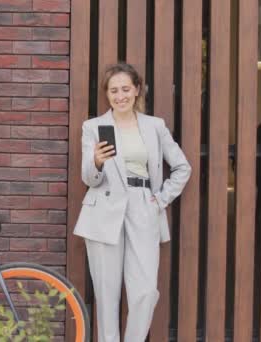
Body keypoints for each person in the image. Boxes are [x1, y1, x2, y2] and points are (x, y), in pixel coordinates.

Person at [73, 63, 191, 342]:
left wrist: (160, 199)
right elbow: (89, 178)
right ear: (107, 94)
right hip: (104, 207)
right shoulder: (93, 127)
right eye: (113, 90)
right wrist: (97, 161)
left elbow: (182, 167)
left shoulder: (154, 126)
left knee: (146, 291)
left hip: (143, 206)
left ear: (137, 90)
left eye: (126, 89)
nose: (120, 95)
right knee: (106, 294)